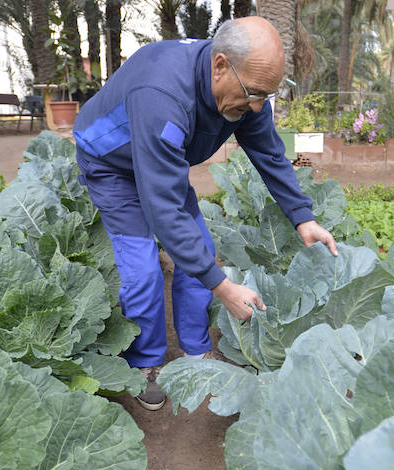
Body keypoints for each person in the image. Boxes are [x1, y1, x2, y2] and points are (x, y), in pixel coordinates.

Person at [73, 17, 337, 410]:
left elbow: (269, 154)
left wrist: (303, 217)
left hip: (161, 162)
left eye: (267, 95)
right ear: (219, 66)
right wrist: (223, 287)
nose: (257, 106)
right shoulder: (162, 94)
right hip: (112, 165)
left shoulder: (246, 84)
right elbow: (161, 207)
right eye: (253, 94)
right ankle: (146, 364)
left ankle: (196, 352)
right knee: (142, 270)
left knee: (202, 251)